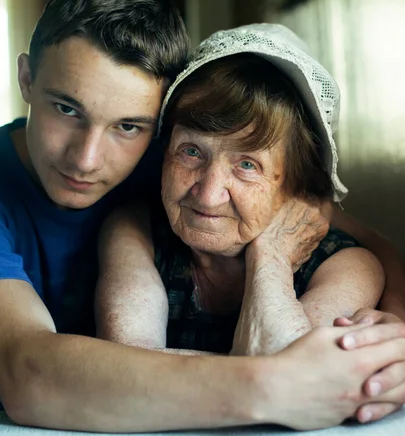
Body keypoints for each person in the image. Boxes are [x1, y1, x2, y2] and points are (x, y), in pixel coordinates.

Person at [0, 0, 405, 436]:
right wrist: (280, 381)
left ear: (160, 120)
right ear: (26, 77)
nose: (87, 158)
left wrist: (390, 343)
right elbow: (29, 376)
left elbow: (367, 241)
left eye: (128, 124)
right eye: (65, 108)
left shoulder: (176, 165)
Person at [96, 26, 389, 357]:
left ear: (295, 184)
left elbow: (286, 384)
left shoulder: (346, 266)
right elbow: (132, 367)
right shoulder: (136, 232)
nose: (208, 194)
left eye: (247, 165)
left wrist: (272, 256)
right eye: (191, 151)